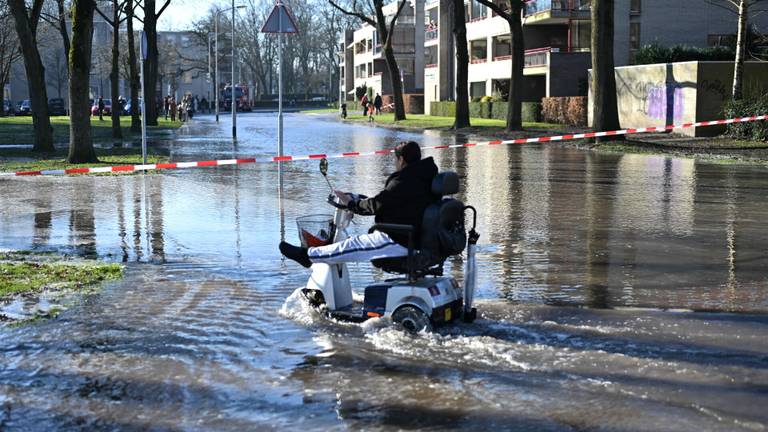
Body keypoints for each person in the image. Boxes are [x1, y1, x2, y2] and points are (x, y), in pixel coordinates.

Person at [280, 141, 438, 268]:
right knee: (352, 244)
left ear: (401, 160)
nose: (395, 164)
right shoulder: (424, 177)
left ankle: (307, 256)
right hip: (412, 234)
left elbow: (377, 205)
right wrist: (357, 201)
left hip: (398, 238)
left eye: (395, 160)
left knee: (351, 246)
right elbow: (391, 201)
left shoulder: (404, 180)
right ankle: (310, 255)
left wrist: (351, 203)